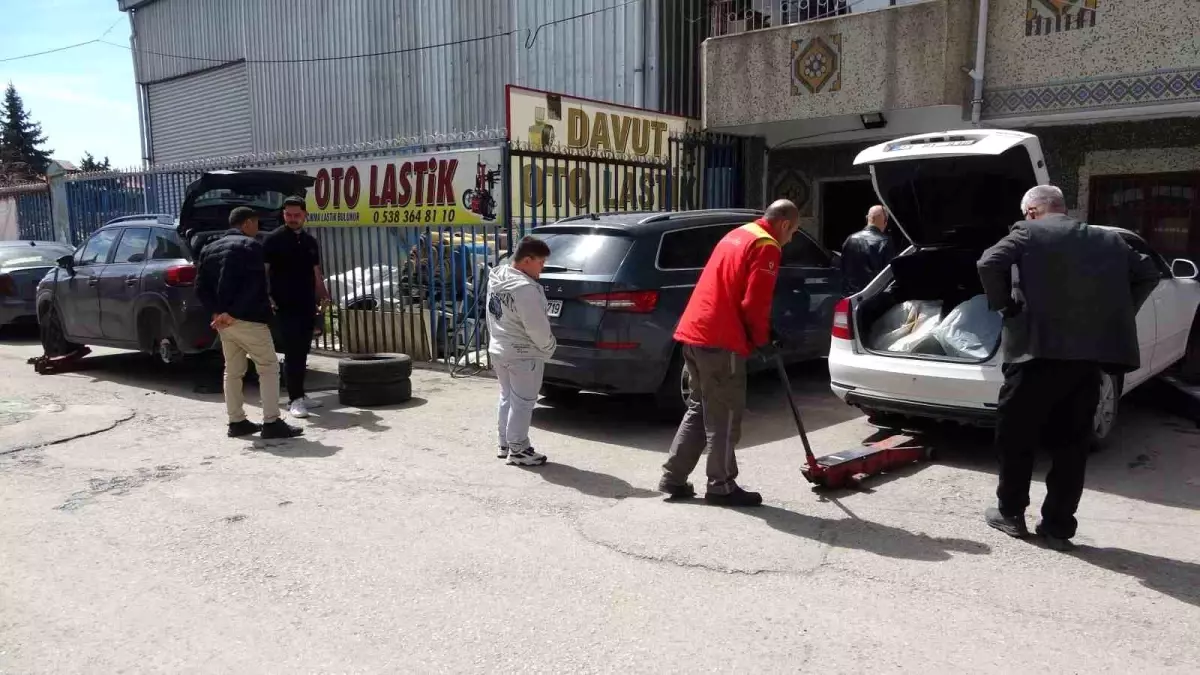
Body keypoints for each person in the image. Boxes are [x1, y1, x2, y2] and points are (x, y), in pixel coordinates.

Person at [977, 185, 1160, 551]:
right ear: (1061, 207)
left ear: (1032, 211)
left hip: (1034, 356)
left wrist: (1006, 308)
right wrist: (1118, 314)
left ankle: (1010, 514)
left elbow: (988, 263)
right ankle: (1058, 527)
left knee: (1016, 438)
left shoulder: (1027, 232)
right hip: (1085, 362)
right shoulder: (1107, 239)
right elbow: (1148, 274)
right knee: (1072, 445)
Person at [658, 199, 801, 506]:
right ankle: (721, 485)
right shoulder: (766, 245)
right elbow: (755, 302)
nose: (790, 240)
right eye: (793, 233)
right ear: (785, 224)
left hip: (695, 332)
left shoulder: (738, 234)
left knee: (700, 407)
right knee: (725, 413)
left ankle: (674, 477)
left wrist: (764, 332)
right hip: (721, 339)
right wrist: (762, 339)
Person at [197, 206, 304, 440]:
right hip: (248, 319)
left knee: (233, 371)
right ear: (246, 223)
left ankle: (236, 422)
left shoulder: (208, 248)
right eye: (256, 223)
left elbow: (201, 287)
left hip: (223, 323)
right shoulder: (250, 246)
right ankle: (272, 422)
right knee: (268, 367)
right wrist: (233, 313)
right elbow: (254, 286)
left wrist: (216, 313)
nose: (257, 228)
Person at [487, 236, 556, 467]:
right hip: (524, 353)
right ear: (527, 260)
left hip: (499, 348)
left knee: (507, 396)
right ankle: (518, 450)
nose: (542, 268)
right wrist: (549, 347)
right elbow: (536, 327)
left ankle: (505, 444)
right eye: (540, 262)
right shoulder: (525, 289)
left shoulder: (498, 276)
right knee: (523, 402)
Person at [263, 196, 330, 419]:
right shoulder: (273, 240)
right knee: (292, 351)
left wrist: (322, 293)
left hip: (306, 303)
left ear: (305, 215)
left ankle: (301, 394)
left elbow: (315, 271)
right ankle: (294, 399)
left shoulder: (310, 242)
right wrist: (267, 297)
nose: (292, 219)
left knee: (303, 349)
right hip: (284, 304)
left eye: (297, 215)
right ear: (283, 215)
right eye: (288, 215)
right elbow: (264, 271)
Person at [840, 205, 895, 296]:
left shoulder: (850, 239)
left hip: (849, 296)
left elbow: (843, 269)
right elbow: (888, 275)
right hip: (873, 297)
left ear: (867, 218)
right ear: (885, 222)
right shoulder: (885, 241)